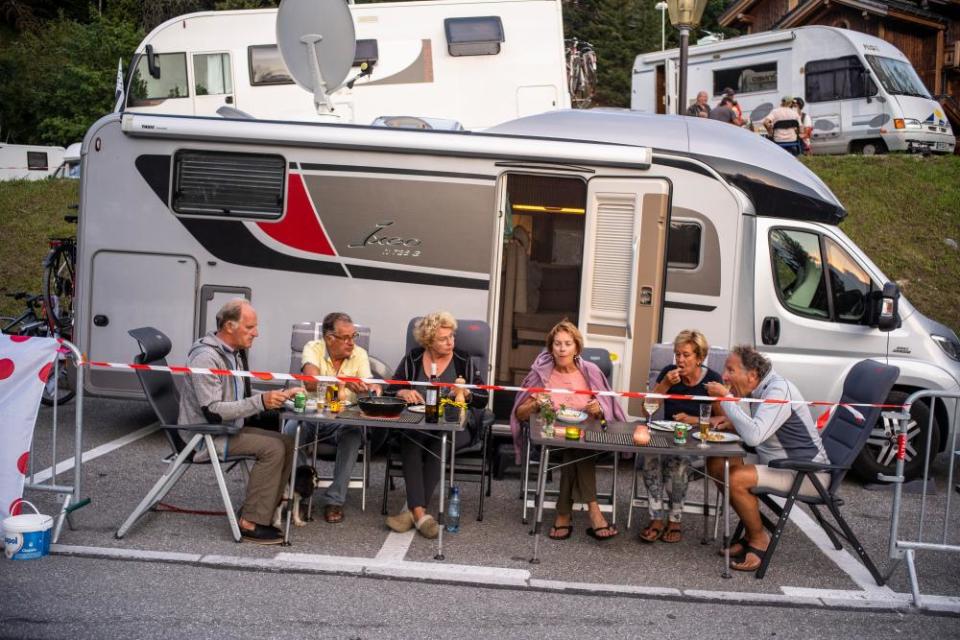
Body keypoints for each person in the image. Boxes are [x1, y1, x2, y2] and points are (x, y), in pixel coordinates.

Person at [178, 299, 297, 545]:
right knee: (272, 448)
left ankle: (262, 509)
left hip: (226, 428)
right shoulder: (206, 358)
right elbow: (212, 411)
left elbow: (237, 399)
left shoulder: (232, 354)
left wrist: (276, 397)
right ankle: (251, 522)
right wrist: (261, 402)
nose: (257, 333)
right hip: (204, 437)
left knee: (286, 441)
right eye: (250, 327)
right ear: (230, 326)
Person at [704, 345, 831, 571]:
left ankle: (758, 539)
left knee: (735, 478)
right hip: (777, 463)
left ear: (752, 375)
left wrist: (726, 400)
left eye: (730, 370)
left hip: (807, 473)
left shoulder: (778, 391)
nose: (724, 376)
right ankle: (754, 528)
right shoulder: (760, 389)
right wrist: (732, 423)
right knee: (717, 462)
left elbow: (754, 436)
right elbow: (762, 428)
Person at [511, 320, 635, 541]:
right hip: (550, 439)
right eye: (557, 343)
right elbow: (520, 414)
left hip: (588, 439)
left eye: (567, 343)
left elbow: (610, 410)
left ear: (577, 347)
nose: (561, 348)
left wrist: (599, 409)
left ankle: (563, 513)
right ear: (551, 348)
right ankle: (594, 511)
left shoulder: (591, 372)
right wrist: (535, 404)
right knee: (573, 446)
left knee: (576, 446)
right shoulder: (541, 374)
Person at [385, 311, 489, 539]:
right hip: (418, 422)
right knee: (409, 440)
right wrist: (403, 391)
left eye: (452, 336)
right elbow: (389, 390)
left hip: (454, 425)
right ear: (428, 341)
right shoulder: (413, 359)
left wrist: (465, 393)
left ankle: (413, 512)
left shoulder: (463, 360)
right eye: (443, 339)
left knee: (440, 443)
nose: (450, 342)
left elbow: (483, 398)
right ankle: (420, 514)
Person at [283, 312, 380, 524]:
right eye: (346, 338)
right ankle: (300, 493)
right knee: (291, 430)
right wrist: (343, 382)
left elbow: (368, 389)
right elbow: (309, 382)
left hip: (344, 418)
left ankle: (335, 499)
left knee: (353, 434)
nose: (351, 342)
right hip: (313, 415)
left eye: (354, 336)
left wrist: (370, 389)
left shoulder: (360, 354)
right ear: (329, 338)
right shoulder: (313, 347)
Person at [639, 330, 722, 544]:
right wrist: (664, 385)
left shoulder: (712, 380)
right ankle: (656, 517)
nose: (680, 360)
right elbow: (646, 410)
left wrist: (694, 420)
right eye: (677, 354)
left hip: (695, 444)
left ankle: (675, 519)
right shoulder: (669, 373)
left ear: (700, 358)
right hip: (666, 438)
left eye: (686, 355)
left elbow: (723, 421)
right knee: (649, 455)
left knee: (678, 462)